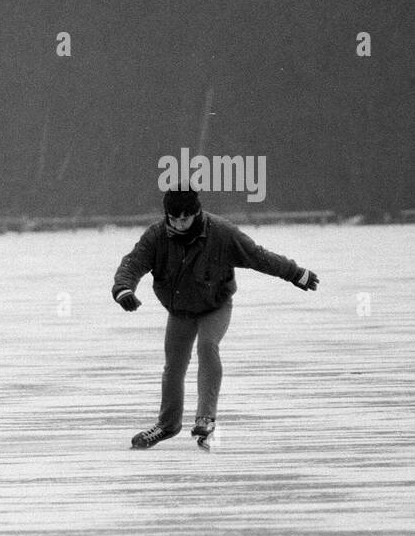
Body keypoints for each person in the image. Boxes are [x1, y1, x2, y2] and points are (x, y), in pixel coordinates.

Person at [112, 187, 319, 449]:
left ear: (196, 213)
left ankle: (205, 418)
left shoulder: (221, 233)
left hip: (215, 305)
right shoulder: (157, 236)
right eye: (173, 219)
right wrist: (123, 289)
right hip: (180, 310)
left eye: (184, 219)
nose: (178, 225)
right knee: (174, 366)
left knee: (207, 346)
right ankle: (167, 425)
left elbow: (258, 256)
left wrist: (294, 273)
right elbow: (132, 264)